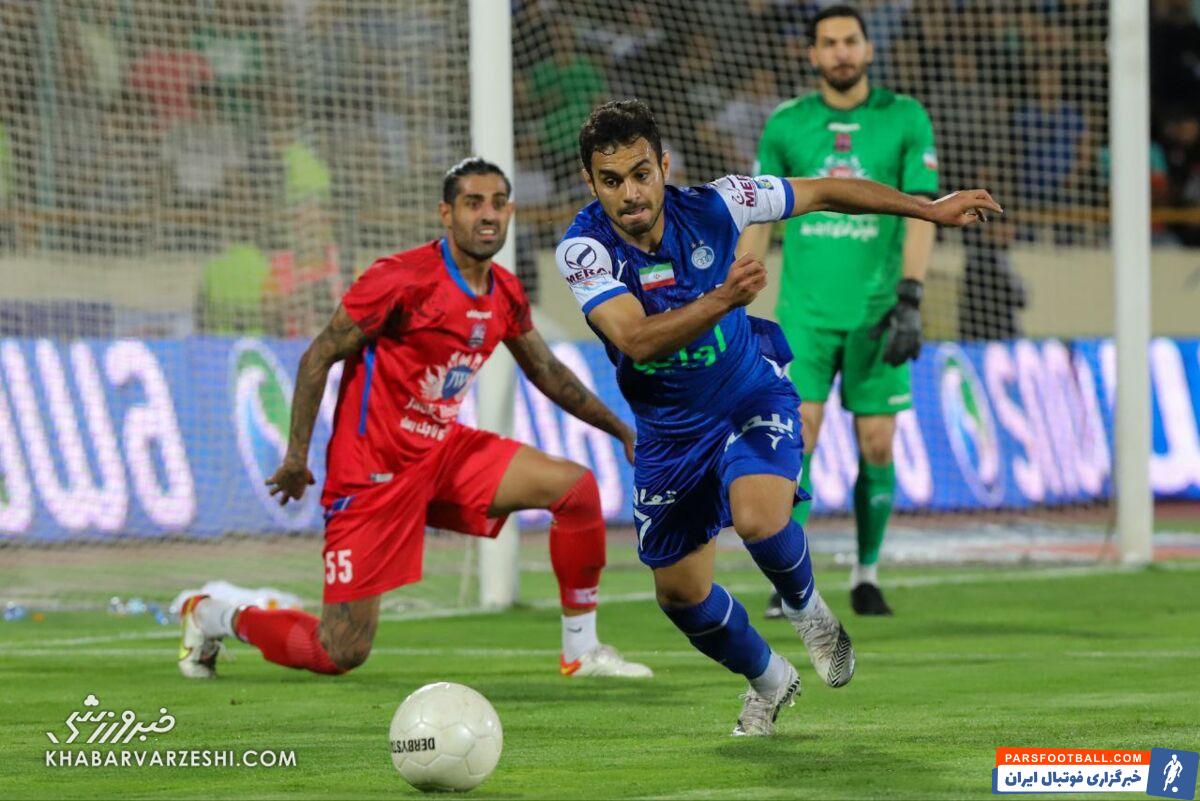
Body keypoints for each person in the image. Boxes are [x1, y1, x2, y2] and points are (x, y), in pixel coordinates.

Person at [556, 99, 998, 735]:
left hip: (748, 396)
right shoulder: (585, 249)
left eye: (641, 174)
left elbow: (824, 191)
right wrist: (723, 299)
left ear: (664, 167)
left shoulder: (718, 203)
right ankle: (769, 679)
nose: (630, 194)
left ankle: (807, 609)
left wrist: (927, 208)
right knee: (680, 596)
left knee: (759, 517)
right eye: (612, 180)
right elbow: (636, 340)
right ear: (590, 182)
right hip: (670, 434)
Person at [177, 158, 652, 681]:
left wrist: (621, 429)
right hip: (372, 472)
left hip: (443, 454)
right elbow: (318, 356)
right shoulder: (400, 279)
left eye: (498, 203)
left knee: (575, 490)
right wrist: (296, 456)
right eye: (473, 203)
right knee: (338, 651)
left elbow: (547, 372)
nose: (488, 215)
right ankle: (213, 614)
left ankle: (581, 651)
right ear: (446, 213)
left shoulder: (504, 292)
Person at [740, 5, 940, 617]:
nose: (841, 52)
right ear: (812, 54)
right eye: (829, 43)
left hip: (878, 312)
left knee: (877, 443)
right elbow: (759, 214)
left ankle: (866, 573)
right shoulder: (787, 124)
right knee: (797, 435)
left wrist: (911, 294)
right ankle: (789, 580)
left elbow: (923, 210)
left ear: (868, 48)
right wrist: (736, 294)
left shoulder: (905, 117)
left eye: (850, 40)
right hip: (805, 314)